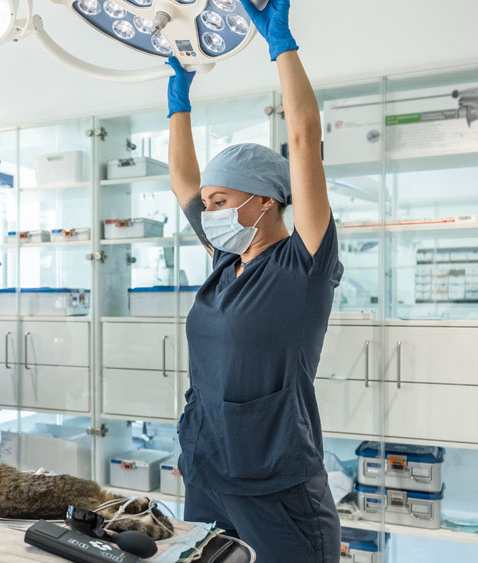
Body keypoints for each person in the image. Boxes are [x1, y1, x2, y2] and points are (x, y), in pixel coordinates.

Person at [166, 1, 341, 561]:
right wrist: (179, 99)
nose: (207, 211)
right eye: (208, 203)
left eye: (220, 201)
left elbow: (305, 133)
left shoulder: (302, 264)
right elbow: (182, 179)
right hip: (207, 472)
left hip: (277, 489)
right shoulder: (224, 258)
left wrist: (280, 44)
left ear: (264, 200)